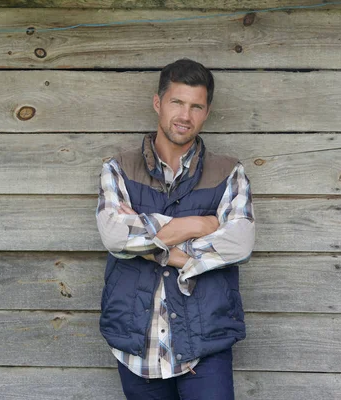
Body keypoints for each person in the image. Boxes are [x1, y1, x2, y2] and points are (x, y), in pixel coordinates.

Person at [95, 58, 255, 400]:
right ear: (158, 103)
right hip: (137, 344)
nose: (185, 115)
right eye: (177, 102)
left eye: (196, 106)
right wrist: (197, 225)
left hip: (204, 341)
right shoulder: (118, 169)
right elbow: (113, 236)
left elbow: (239, 243)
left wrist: (147, 239)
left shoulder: (229, 172)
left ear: (207, 111)